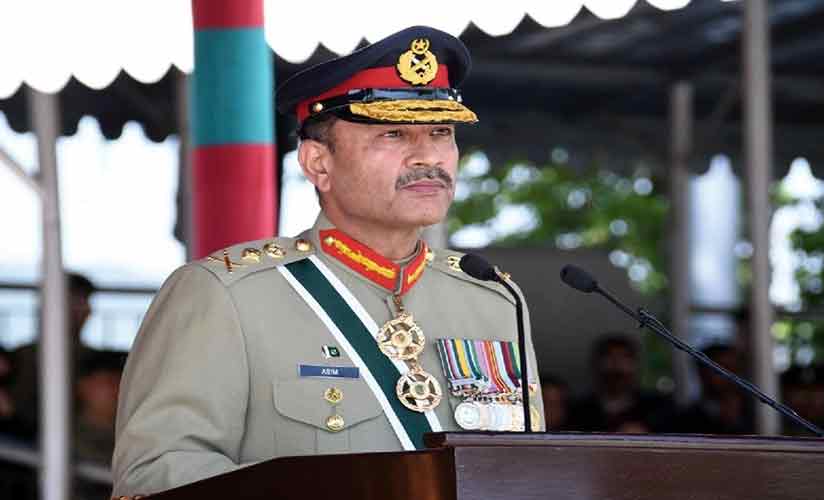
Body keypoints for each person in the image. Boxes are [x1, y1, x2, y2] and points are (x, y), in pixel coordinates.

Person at [112, 26, 543, 497]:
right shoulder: (227, 295)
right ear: (318, 163)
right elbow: (153, 475)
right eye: (394, 134)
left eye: (441, 133)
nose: (427, 156)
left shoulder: (493, 299)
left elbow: (528, 470)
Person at [7, 272, 97, 439]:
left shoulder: (94, 358)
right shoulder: (24, 357)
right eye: (75, 301)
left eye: (84, 301)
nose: (85, 309)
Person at [567, 334, 671, 433]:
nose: (617, 366)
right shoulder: (578, 411)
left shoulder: (659, 408)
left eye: (624, 358)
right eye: (610, 358)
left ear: (637, 366)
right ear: (595, 365)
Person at [665, 342, 754, 435]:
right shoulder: (683, 420)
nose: (732, 377)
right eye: (722, 370)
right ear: (702, 373)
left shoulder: (756, 413)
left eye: (735, 369)